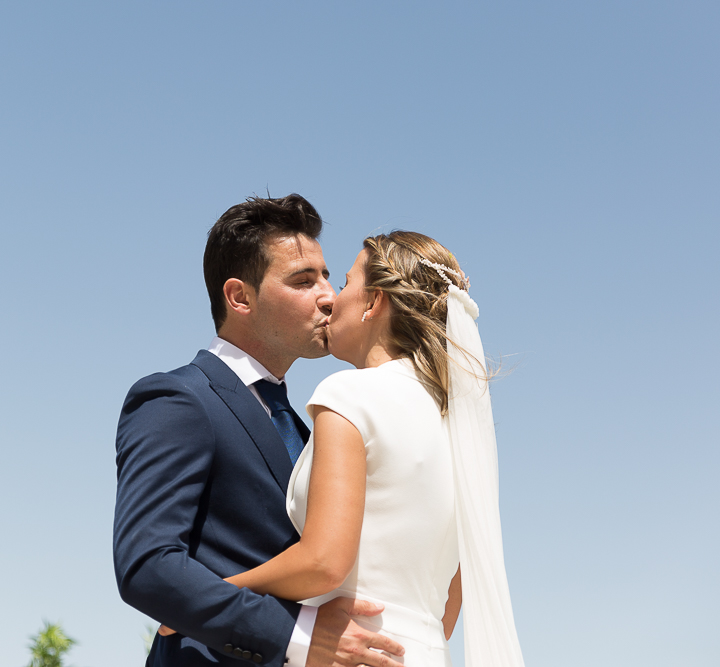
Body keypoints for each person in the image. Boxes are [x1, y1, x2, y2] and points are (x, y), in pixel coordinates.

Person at [162, 231, 526, 666]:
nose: (332, 299)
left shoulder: (351, 394)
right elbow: (451, 603)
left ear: (373, 302)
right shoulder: (458, 426)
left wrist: (213, 597)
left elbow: (323, 560)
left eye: (347, 282)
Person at [113, 194, 406, 667]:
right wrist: (298, 635)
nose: (329, 296)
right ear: (240, 297)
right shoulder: (177, 400)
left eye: (327, 275)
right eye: (303, 280)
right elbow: (148, 566)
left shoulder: (315, 428)